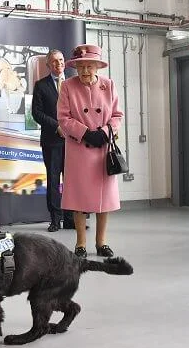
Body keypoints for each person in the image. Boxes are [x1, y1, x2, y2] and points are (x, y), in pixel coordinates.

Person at [57, 44, 123, 258]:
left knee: (103, 201)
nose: (85, 71)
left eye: (89, 66)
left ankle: (101, 243)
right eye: (80, 66)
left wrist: (105, 132)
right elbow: (63, 118)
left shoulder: (109, 85)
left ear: (97, 67)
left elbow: (117, 115)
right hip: (79, 149)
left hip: (102, 149)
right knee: (79, 200)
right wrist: (85, 133)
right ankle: (81, 244)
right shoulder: (67, 86)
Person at [31, 49, 75, 231]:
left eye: (61, 60)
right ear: (48, 65)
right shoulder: (41, 85)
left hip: (72, 141)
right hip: (51, 140)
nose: (59, 64)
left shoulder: (73, 84)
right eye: (54, 61)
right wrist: (57, 126)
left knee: (72, 181)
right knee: (54, 180)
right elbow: (37, 113)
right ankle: (55, 220)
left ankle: (71, 219)